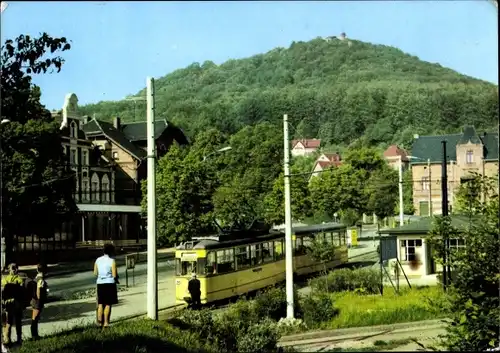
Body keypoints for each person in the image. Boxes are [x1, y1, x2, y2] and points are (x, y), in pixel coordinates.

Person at [94, 244, 118, 328]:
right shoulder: (112, 261)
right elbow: (114, 275)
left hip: (100, 284)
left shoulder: (98, 260)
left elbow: (95, 273)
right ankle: (106, 323)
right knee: (108, 304)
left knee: (100, 303)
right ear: (111, 251)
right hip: (110, 284)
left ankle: (99, 323)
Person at [1, 263, 25, 346]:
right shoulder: (5, 279)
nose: (16, 269)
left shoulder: (19, 278)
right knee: (9, 322)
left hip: (17, 303)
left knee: (18, 322)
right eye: (13, 268)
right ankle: (7, 339)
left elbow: (21, 291)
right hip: (9, 304)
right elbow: (4, 292)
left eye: (16, 268)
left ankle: (19, 339)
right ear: (9, 269)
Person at [30, 264, 48, 340]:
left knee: (35, 318)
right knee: (35, 318)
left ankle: (35, 335)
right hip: (37, 301)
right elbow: (38, 290)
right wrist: (40, 299)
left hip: (34, 300)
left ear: (37, 270)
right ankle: (34, 335)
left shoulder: (37, 277)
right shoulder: (41, 279)